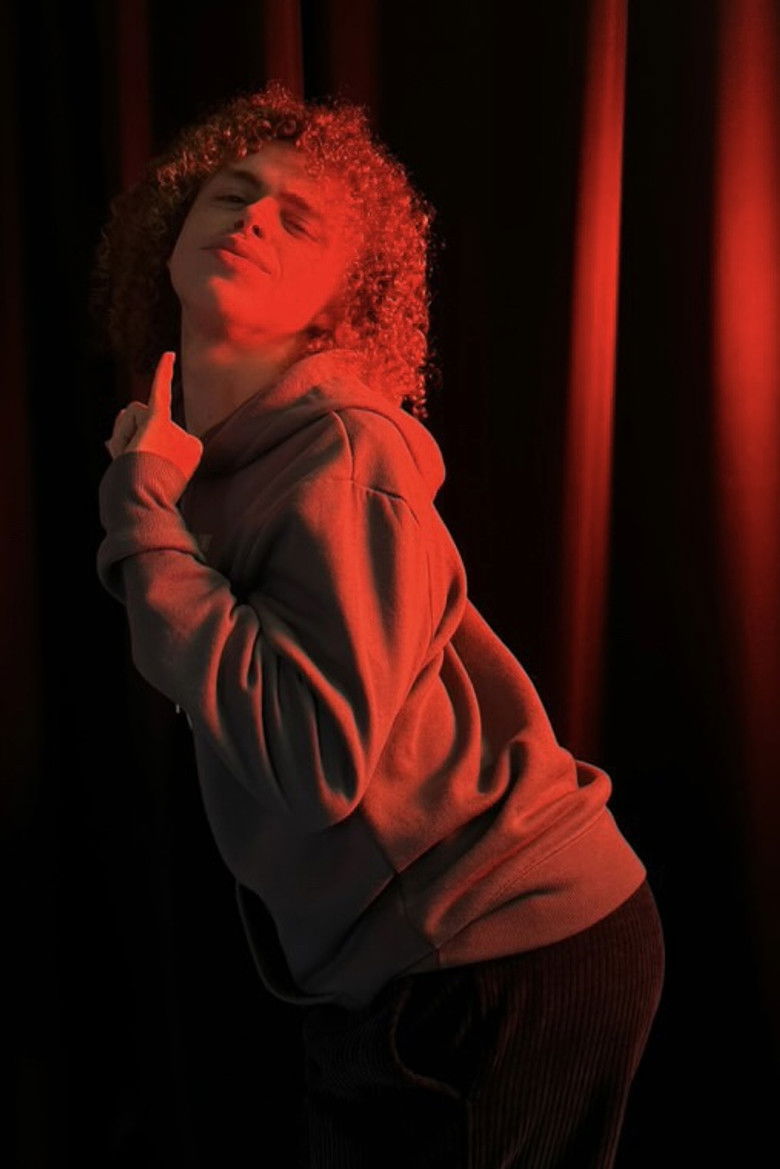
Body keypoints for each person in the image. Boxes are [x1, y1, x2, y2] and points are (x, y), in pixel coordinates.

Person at [92, 79, 665, 1168]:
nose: (254, 218)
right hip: (408, 968)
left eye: (297, 219)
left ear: (339, 305)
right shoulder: (217, 464)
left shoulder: (345, 451)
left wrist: (142, 517)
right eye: (231, 195)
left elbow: (315, 763)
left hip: (498, 950)